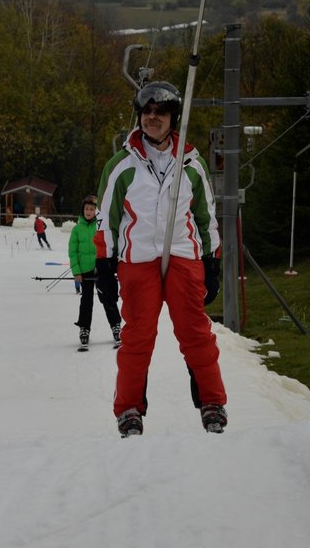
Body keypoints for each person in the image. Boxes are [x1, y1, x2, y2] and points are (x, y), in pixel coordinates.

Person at [94, 80, 225, 437]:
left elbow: (206, 217)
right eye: (147, 112)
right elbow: (106, 220)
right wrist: (105, 267)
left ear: (173, 118)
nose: (153, 118)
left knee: (195, 331)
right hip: (139, 260)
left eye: (161, 112)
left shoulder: (192, 165)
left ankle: (212, 401)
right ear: (140, 116)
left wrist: (212, 263)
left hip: (184, 255)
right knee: (138, 336)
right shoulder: (122, 165)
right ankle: (129, 408)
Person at [69, 195, 122, 348]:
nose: (89, 211)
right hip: (84, 271)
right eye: (86, 209)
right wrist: (76, 272)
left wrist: (112, 265)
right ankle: (84, 328)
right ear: (83, 210)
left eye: (92, 209)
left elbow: (109, 245)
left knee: (107, 298)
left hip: (101, 268)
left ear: (96, 211)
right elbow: (72, 252)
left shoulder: (101, 226)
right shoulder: (77, 229)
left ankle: (116, 326)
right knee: (86, 301)